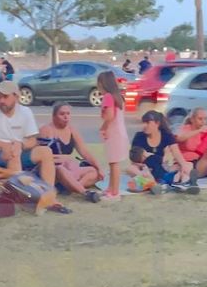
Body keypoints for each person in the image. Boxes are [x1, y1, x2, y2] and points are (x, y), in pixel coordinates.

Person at [0, 80, 70, 214]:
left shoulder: (25, 112)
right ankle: (21, 197)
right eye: (0, 96)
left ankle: (49, 196)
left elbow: (33, 140)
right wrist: (3, 145)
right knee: (13, 153)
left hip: (18, 150)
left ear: (16, 96)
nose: (1, 100)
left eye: (5, 96)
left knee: (45, 151)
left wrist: (21, 144)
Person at [38, 102, 105, 201]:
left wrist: (99, 168)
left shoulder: (72, 130)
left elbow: (84, 152)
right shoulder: (46, 130)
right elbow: (40, 157)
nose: (66, 117)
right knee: (60, 169)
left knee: (94, 172)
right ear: (54, 116)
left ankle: (72, 186)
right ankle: (85, 193)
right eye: (62, 114)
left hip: (70, 169)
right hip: (54, 169)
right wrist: (64, 158)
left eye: (68, 114)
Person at [129, 110, 197, 194]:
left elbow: (176, 152)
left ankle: (183, 183)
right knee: (131, 169)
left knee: (188, 165)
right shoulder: (139, 136)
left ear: (157, 123)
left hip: (161, 167)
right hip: (145, 169)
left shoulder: (166, 135)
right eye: (144, 123)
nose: (144, 125)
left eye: (148, 123)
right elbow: (133, 158)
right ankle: (153, 184)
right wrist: (143, 165)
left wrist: (183, 165)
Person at [97, 70, 129, 201]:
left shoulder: (108, 97)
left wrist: (103, 127)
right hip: (119, 133)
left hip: (113, 134)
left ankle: (114, 192)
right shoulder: (118, 97)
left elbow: (109, 116)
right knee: (113, 163)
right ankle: (111, 188)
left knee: (114, 164)